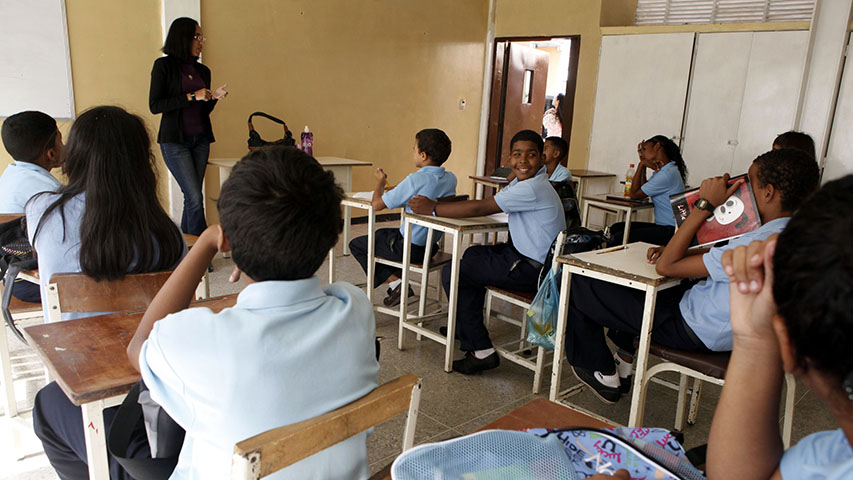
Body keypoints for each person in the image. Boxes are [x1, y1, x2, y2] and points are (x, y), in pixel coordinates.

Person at [124, 146, 379, 478]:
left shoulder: (199, 340)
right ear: (333, 236)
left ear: (226, 242)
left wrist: (205, 243)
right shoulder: (354, 307)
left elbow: (138, 345)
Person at [562, 148, 819, 404]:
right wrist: (677, 248)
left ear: (768, 192)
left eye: (749, 183)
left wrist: (704, 205)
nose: (743, 190)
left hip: (695, 328)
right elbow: (715, 253)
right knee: (643, 291)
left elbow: (666, 267)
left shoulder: (755, 246)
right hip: (742, 334)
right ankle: (625, 360)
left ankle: (602, 373)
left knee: (579, 281)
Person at [30, 106, 187, 479]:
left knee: (45, 407)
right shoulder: (167, 233)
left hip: (88, 374)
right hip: (157, 379)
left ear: (75, 156)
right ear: (141, 162)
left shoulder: (45, 213)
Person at [707, 175, 853, 479]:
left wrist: (753, 340)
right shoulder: (832, 456)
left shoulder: (829, 465)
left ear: (788, 348)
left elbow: (667, 265)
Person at [408, 130, 565, 374]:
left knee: (455, 271)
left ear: (542, 158)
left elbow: (482, 206)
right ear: (509, 158)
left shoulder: (532, 188)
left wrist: (434, 208)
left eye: (531, 155)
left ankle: (481, 350)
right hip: (526, 257)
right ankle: (463, 325)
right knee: (471, 255)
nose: (523, 161)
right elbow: (500, 197)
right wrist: (516, 170)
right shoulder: (529, 182)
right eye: (517, 155)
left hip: (533, 270)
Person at [349, 128, 456, 307]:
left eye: (414, 149)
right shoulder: (451, 179)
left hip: (408, 249)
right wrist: (399, 189)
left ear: (423, 155)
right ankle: (397, 283)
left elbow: (376, 205)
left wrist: (380, 183)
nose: (412, 152)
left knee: (358, 245)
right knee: (383, 234)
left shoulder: (415, 179)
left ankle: (397, 283)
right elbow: (424, 188)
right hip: (430, 248)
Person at [149, 17, 227, 236]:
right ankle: (200, 250)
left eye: (202, 37)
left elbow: (202, 110)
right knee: (194, 197)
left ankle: (185, 247)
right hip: (175, 142)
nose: (202, 41)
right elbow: (155, 105)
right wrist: (192, 96)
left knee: (191, 197)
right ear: (182, 38)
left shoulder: (204, 71)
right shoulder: (163, 66)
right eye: (197, 37)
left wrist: (213, 99)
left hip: (201, 140)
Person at [0, 111, 64, 302]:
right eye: (61, 140)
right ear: (51, 153)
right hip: (37, 282)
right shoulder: (48, 192)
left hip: (13, 278)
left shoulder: (9, 176)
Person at [607, 135, 687, 246]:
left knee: (619, 237)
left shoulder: (666, 174)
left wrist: (641, 164)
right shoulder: (667, 169)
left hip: (671, 230)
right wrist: (643, 165)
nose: (643, 153)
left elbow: (634, 194)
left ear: (657, 146)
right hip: (665, 227)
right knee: (617, 228)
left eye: (645, 149)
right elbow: (645, 189)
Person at [0, 111, 63, 214]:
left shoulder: (6, 179)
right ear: (51, 154)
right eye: (60, 141)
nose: (65, 147)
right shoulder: (51, 193)